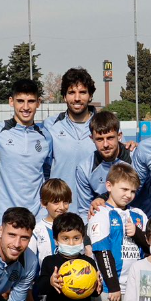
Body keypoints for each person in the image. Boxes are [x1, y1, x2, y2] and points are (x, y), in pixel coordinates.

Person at [86, 161, 149, 301]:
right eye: (124, 189)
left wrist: (139, 235)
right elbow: (101, 250)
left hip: (137, 289)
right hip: (112, 289)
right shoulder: (101, 213)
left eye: (133, 191)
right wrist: (112, 285)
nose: (129, 195)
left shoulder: (139, 214)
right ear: (109, 186)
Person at [0, 79, 54, 218]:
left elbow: (47, 173)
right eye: (20, 101)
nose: (25, 107)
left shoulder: (45, 136)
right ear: (11, 101)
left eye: (30, 101)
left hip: (37, 218)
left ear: (38, 103)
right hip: (5, 217)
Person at [45, 67, 100, 207]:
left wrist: (131, 145)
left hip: (95, 212)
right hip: (60, 211)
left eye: (82, 92)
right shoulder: (50, 126)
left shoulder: (104, 126)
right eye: (71, 92)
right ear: (64, 96)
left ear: (90, 96)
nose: (77, 98)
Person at [73, 110, 132, 224]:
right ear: (91, 138)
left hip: (136, 223)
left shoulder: (135, 158)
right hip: (104, 226)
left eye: (110, 138)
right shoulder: (85, 168)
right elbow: (85, 210)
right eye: (99, 139)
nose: (105, 145)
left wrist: (103, 198)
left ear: (119, 136)